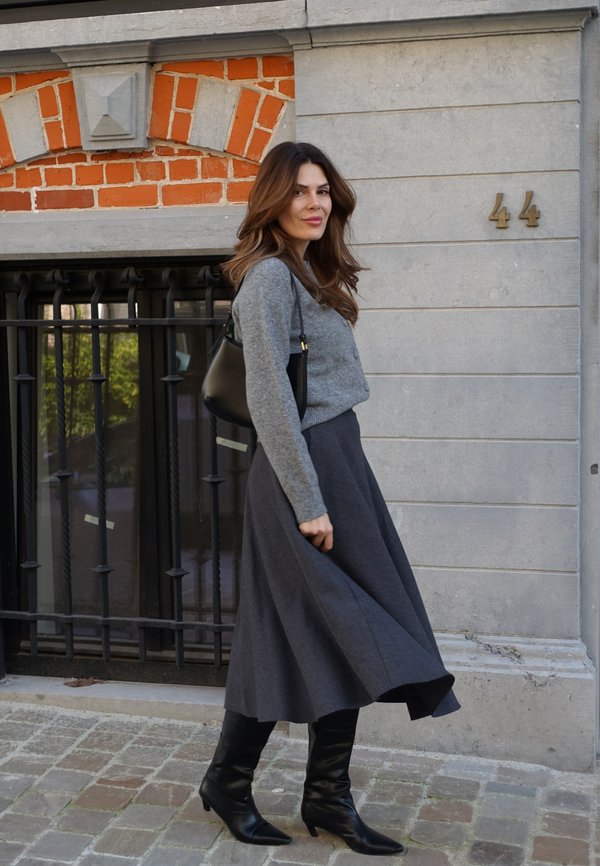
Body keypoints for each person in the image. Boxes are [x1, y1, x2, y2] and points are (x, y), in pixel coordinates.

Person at [199, 141, 460, 855]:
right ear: (272, 201)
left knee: (338, 631)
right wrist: (309, 500)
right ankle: (230, 782)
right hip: (304, 474)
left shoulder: (310, 271)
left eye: (322, 191)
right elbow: (269, 398)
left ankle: (325, 797)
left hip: (339, 463)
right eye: (298, 191)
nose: (314, 203)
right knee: (320, 625)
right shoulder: (268, 280)